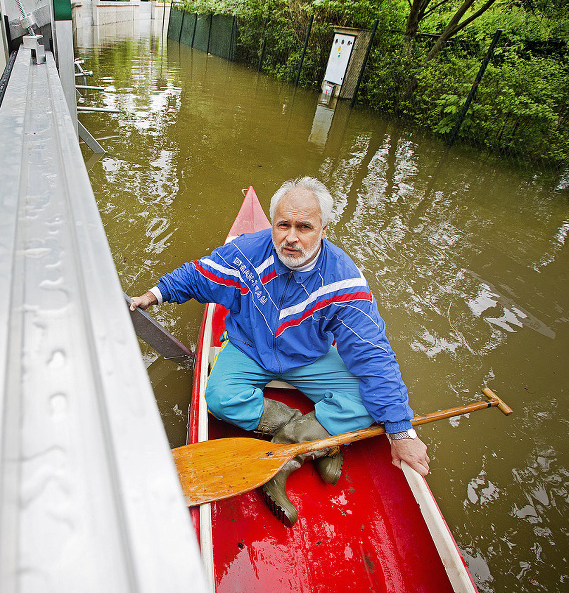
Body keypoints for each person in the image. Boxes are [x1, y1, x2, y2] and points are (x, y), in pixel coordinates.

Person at [130, 177, 430, 527]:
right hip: (249, 347)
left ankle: (289, 447)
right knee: (220, 398)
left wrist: (402, 433)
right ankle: (321, 438)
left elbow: (373, 354)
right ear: (272, 224)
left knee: (370, 404)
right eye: (283, 225)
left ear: (324, 228)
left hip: (308, 357)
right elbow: (198, 275)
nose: (291, 237)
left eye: (304, 227)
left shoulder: (343, 280)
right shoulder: (245, 252)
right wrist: (152, 295)